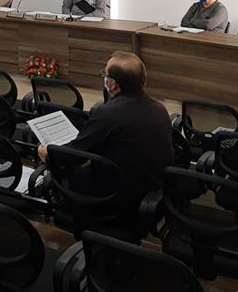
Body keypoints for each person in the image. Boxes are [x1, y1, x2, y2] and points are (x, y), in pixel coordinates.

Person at [38, 51, 173, 212]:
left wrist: (49, 153)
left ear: (113, 84)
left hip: (116, 197)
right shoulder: (160, 109)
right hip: (152, 190)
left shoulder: (107, 113)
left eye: (105, 74)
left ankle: (63, 211)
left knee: (63, 170)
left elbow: (74, 155)